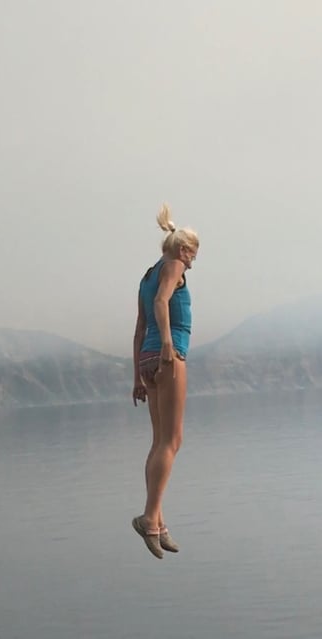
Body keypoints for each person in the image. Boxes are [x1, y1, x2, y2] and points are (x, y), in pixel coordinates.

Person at [131, 204, 199, 559]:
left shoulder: (147, 274)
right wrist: (169, 347)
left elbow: (139, 328)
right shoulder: (173, 267)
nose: (193, 261)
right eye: (193, 253)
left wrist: (136, 376)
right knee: (172, 441)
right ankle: (149, 518)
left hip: (147, 358)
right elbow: (161, 302)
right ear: (182, 249)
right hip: (168, 356)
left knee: (160, 441)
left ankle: (156, 519)